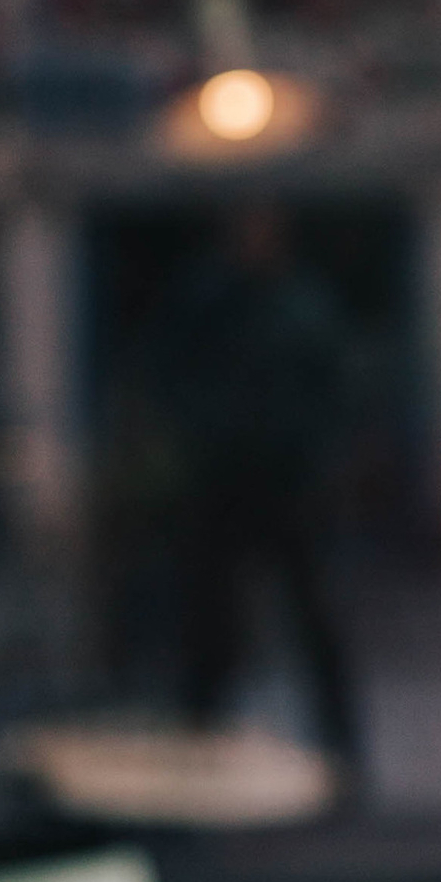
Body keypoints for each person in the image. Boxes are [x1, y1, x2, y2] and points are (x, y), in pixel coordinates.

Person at [143, 204, 361, 774]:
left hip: (288, 482)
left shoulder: (302, 304)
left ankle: (340, 751)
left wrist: (322, 457)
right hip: (220, 480)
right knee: (210, 625)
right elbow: (165, 374)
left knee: (313, 619)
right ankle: (200, 744)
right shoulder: (206, 301)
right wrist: (196, 437)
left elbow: (336, 385)